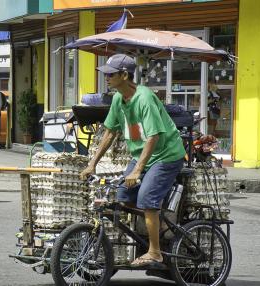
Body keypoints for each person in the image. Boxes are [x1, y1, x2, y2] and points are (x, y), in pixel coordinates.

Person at [80, 54, 185, 267]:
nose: (106, 78)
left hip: (166, 155)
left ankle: (155, 251)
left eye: (111, 74)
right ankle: (158, 223)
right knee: (122, 195)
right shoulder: (119, 98)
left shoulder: (144, 98)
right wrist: (92, 163)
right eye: (106, 74)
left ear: (124, 75)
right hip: (142, 155)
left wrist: (137, 170)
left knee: (147, 198)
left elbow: (153, 136)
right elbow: (109, 133)